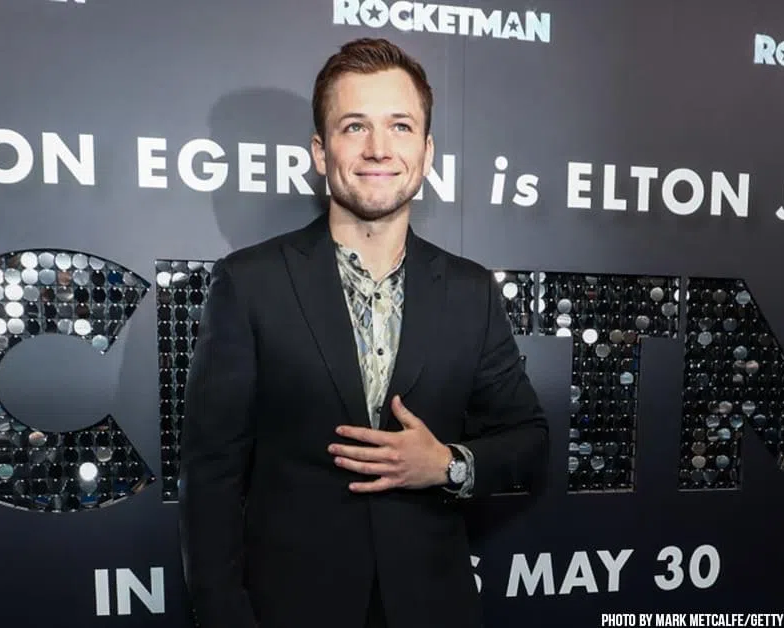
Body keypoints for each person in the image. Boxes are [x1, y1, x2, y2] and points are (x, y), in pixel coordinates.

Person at [178, 37, 550, 628]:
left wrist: (447, 463)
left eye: (400, 126)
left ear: (426, 151)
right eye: (355, 127)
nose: (379, 148)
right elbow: (210, 479)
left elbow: (529, 442)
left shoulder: (471, 290)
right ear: (320, 151)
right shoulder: (249, 283)